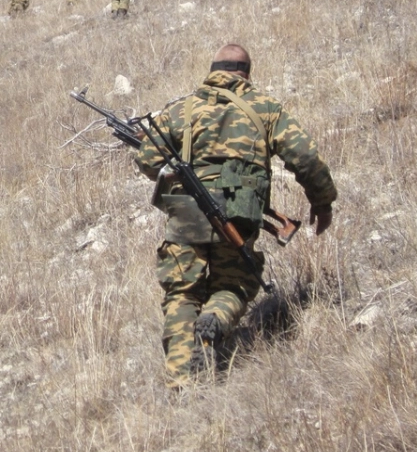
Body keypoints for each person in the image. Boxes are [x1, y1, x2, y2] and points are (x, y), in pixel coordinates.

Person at [131, 45, 337, 387]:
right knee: (235, 284)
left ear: (212, 71)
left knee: (182, 292)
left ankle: (181, 380)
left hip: (186, 213)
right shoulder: (265, 108)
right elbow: (305, 157)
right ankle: (215, 319)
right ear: (246, 74)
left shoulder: (181, 109)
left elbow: (148, 161)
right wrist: (322, 201)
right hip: (238, 213)